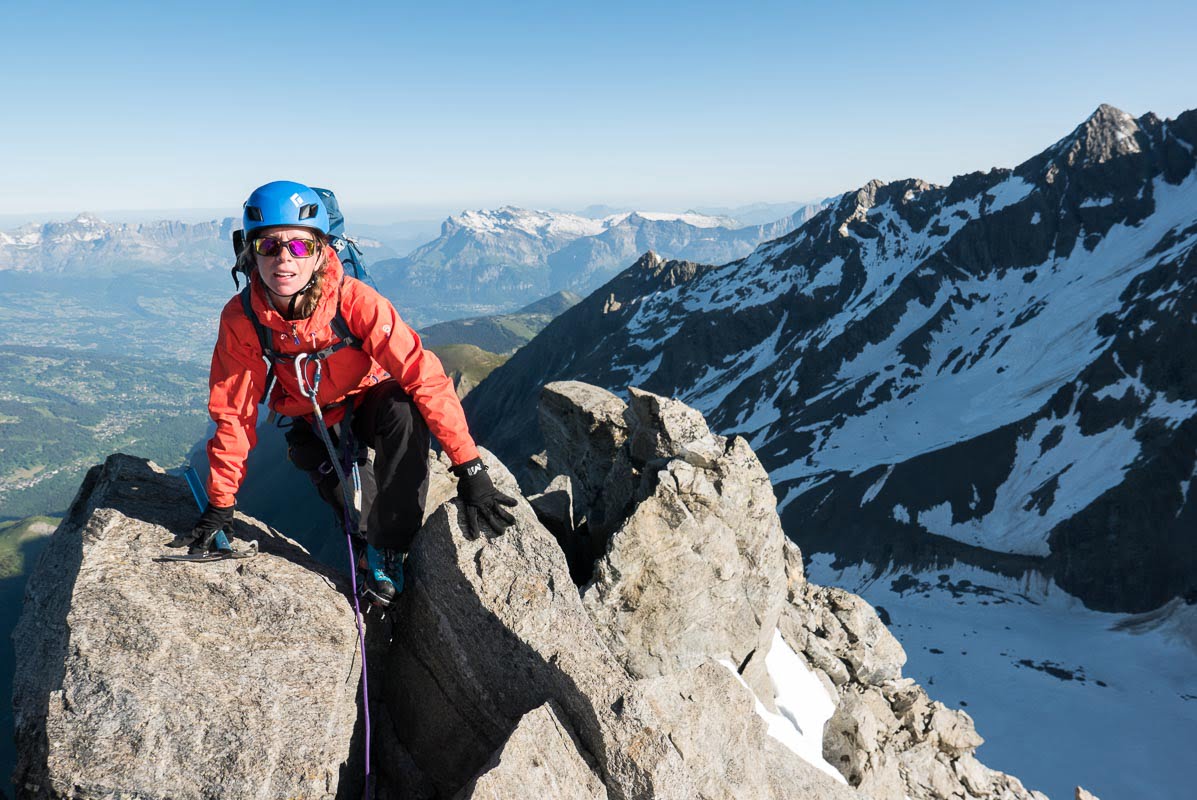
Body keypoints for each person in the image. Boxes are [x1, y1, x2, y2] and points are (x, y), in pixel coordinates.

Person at [173, 180, 517, 607]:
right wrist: (221, 502)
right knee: (357, 518)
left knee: (404, 411)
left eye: (299, 247)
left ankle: (391, 550)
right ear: (250, 252)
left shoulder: (355, 301)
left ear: (320, 251)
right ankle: (369, 564)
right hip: (314, 419)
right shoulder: (242, 318)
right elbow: (234, 410)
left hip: (371, 399)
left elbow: (422, 375)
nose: (284, 260)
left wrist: (469, 468)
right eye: (269, 246)